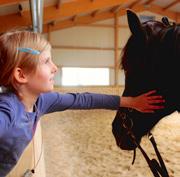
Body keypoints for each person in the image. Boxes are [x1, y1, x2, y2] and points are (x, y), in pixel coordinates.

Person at [0, 30, 165, 176]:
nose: (55, 67)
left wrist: (130, 102)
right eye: (46, 61)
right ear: (21, 76)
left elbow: (83, 99)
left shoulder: (40, 102)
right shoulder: (8, 111)